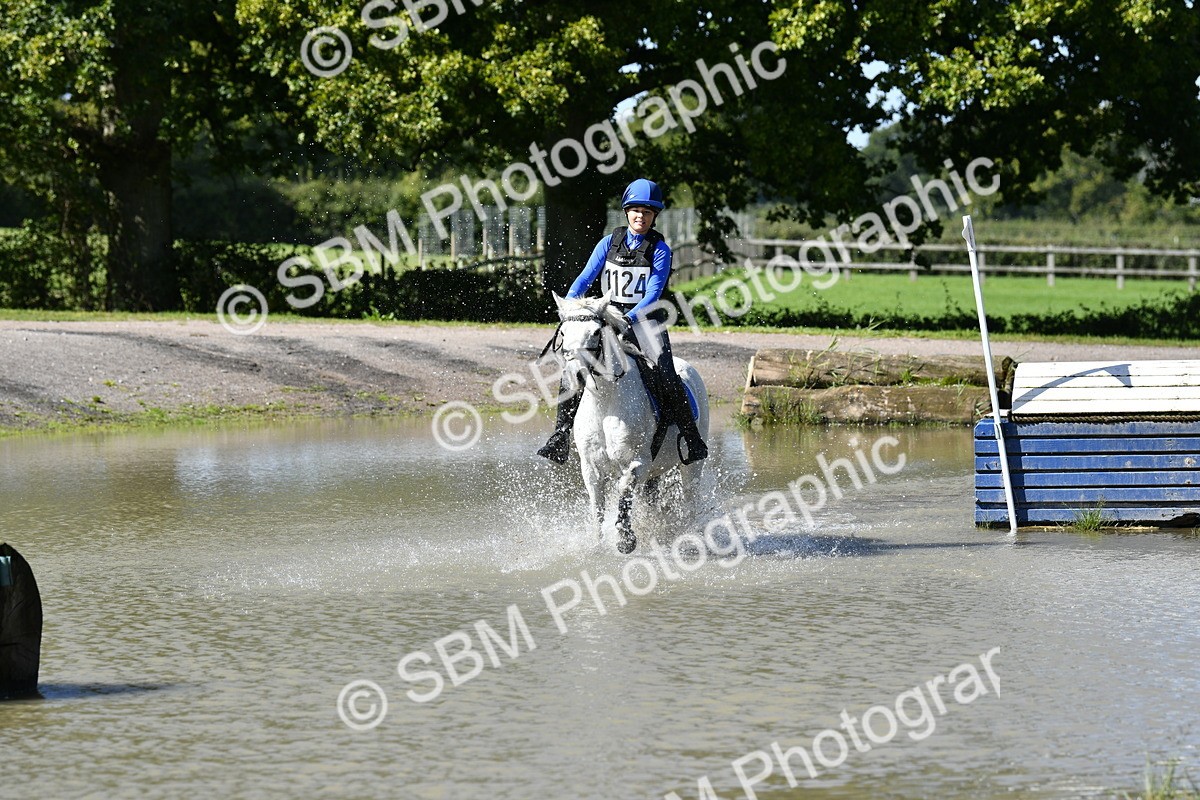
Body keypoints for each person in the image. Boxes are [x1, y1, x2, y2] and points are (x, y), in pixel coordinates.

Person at [537, 178, 708, 465]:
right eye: (636, 210)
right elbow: (584, 279)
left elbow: (653, 294)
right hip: (607, 319)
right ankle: (561, 437)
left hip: (645, 324)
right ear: (627, 212)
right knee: (573, 368)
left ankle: (692, 439)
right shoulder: (608, 243)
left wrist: (627, 319)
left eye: (647, 212)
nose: (641, 216)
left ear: (654, 216)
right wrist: (570, 307)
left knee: (667, 374)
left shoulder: (660, 250)